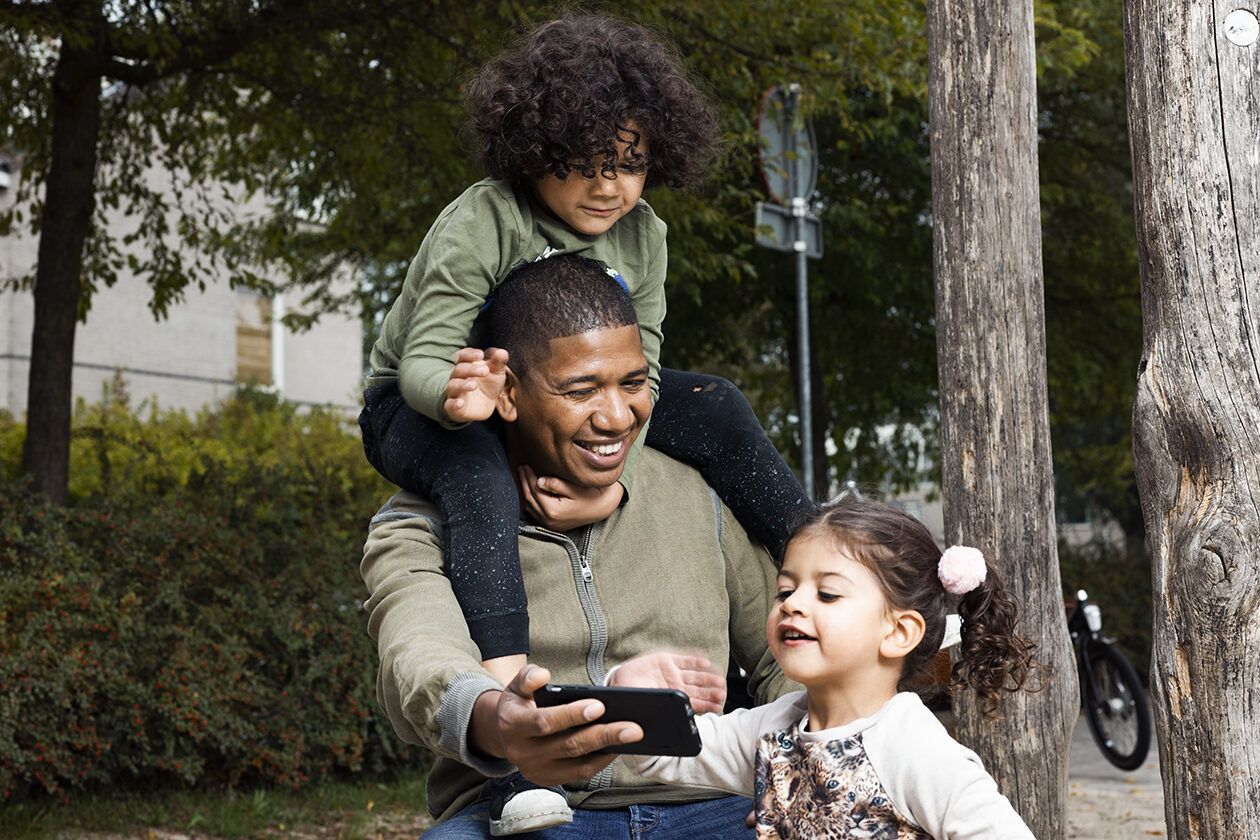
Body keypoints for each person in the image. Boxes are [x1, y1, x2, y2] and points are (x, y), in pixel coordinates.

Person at [358, 15, 807, 699]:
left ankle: (833, 556)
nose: (610, 188)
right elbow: (421, 358)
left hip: (559, 397)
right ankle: (512, 690)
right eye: (585, 165)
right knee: (478, 474)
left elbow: (644, 374)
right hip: (424, 404)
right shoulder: (484, 220)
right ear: (535, 150)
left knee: (717, 404)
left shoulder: (643, 234)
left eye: (630, 165)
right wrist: (457, 399)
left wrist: (608, 486)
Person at [360, 255, 801, 838]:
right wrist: (503, 720)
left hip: (718, 803)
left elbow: (784, 655)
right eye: (580, 389)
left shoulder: (697, 490)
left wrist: (796, 770)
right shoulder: (419, 523)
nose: (618, 417)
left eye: (635, 383)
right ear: (508, 393)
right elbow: (420, 660)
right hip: (517, 813)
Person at [618, 498, 1047, 839]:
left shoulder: (914, 749)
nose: (792, 603)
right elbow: (661, 759)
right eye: (785, 589)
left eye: (827, 594)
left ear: (898, 632)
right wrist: (629, 692)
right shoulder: (771, 730)